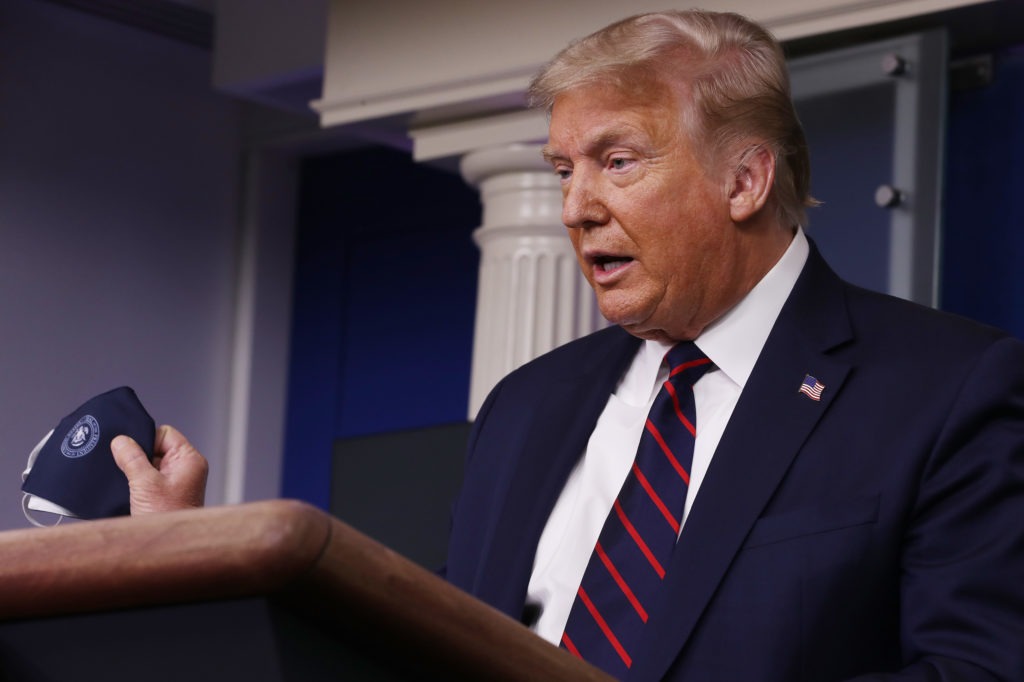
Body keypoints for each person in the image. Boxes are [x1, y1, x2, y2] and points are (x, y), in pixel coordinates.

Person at [116, 9, 1024, 681]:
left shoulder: (946, 388)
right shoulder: (528, 405)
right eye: (562, 170)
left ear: (746, 179)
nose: (575, 206)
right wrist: (197, 559)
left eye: (618, 161)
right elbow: (412, 649)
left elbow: (977, 674)